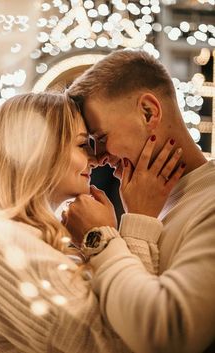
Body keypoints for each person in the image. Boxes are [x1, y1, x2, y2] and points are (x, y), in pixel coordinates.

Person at [0, 91, 182, 353]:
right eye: (82, 145)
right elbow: (119, 344)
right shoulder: (1, 240)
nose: (96, 160)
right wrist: (126, 226)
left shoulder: (21, 236)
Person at [66, 49, 215, 353]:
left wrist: (101, 240)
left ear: (148, 112)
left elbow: (170, 333)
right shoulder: (144, 202)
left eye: (100, 138)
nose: (99, 159)